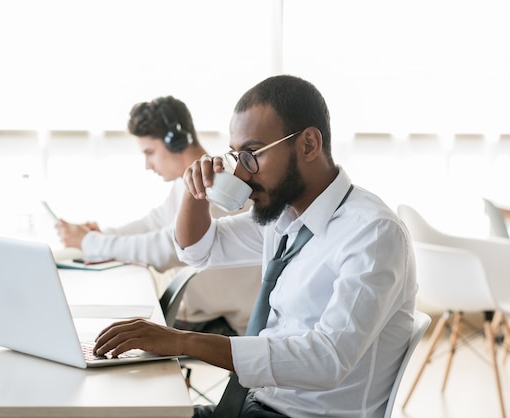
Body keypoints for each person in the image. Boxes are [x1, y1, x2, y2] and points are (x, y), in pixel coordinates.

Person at [93, 75, 418, 417]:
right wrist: (195, 190)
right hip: (254, 405)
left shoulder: (372, 232)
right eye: (236, 157)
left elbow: (327, 360)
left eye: (252, 155)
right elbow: (199, 250)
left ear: (308, 144)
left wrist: (180, 341)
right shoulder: (285, 217)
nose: (242, 174)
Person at [56, 96, 261, 336]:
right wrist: (101, 234)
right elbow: (153, 222)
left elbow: (164, 248)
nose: (148, 165)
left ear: (175, 142)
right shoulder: (187, 182)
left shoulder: (215, 183)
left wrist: (89, 242)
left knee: (117, 328)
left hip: (228, 322)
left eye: (150, 152)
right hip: (211, 313)